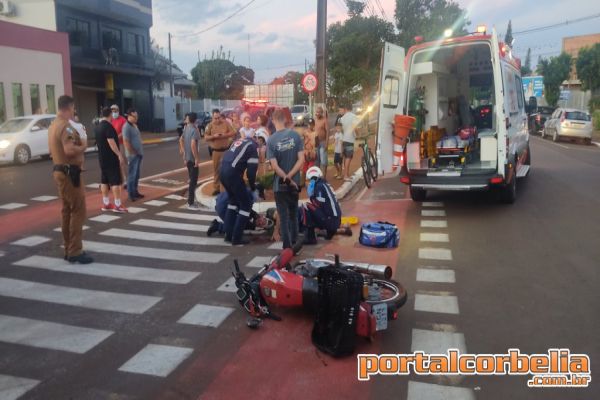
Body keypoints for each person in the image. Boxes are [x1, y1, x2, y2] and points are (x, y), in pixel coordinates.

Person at [48, 95, 93, 264]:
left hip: (60, 171)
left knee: (67, 210)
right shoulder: (65, 127)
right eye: (73, 108)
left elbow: (52, 151)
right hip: (69, 173)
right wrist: (84, 145)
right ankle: (75, 250)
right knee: (78, 211)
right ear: (68, 107)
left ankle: (68, 247)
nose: (74, 112)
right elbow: (69, 150)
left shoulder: (53, 126)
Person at [267, 109, 304, 249]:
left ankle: (287, 247)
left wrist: (284, 177)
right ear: (285, 119)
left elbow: (274, 166)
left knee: (283, 216)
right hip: (294, 184)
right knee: (294, 214)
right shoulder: (296, 136)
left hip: (279, 185)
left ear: (273, 120)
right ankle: (295, 244)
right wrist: (291, 176)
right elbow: (301, 159)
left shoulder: (271, 140)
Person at [220, 137, 259, 245]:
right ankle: (236, 238)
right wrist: (253, 187)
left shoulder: (241, 141)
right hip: (233, 174)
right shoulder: (253, 148)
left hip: (222, 171)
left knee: (233, 202)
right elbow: (251, 173)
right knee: (245, 204)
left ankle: (228, 235)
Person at [95, 107, 127, 213]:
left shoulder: (98, 127)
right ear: (109, 114)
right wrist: (119, 154)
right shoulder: (108, 127)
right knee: (115, 182)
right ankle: (117, 205)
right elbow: (111, 142)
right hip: (110, 158)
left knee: (104, 181)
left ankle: (106, 203)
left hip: (102, 158)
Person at [300, 166, 342, 245]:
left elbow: (318, 204)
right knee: (321, 209)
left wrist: (311, 196)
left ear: (312, 179)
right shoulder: (325, 184)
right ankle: (330, 232)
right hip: (336, 220)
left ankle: (311, 237)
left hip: (331, 221)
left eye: (309, 180)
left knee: (306, 206)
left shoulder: (319, 187)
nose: (307, 182)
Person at [205, 109, 235, 196]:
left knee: (227, 170)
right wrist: (213, 136)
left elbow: (233, 132)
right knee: (216, 170)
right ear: (212, 117)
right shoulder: (209, 125)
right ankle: (217, 188)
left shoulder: (225, 123)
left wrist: (224, 135)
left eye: (218, 118)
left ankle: (227, 187)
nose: (217, 120)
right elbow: (205, 137)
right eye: (215, 118)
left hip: (225, 150)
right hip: (216, 151)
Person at [179, 112, 201, 209]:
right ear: (195, 120)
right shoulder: (194, 130)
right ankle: (190, 202)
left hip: (187, 158)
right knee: (193, 181)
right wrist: (196, 158)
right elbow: (193, 145)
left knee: (191, 179)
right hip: (192, 159)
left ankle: (191, 200)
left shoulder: (186, 128)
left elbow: (180, 140)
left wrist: (184, 152)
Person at [122, 108, 144, 201]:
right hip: (132, 155)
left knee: (137, 175)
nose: (136, 118)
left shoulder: (134, 125)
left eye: (137, 116)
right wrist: (132, 152)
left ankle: (135, 191)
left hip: (138, 153)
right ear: (129, 116)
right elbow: (126, 141)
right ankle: (131, 194)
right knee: (132, 175)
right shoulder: (126, 127)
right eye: (134, 116)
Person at [338, 104, 359, 181]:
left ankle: (346, 174)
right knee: (348, 157)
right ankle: (346, 175)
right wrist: (358, 134)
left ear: (345, 109)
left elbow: (341, 130)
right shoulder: (354, 116)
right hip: (350, 140)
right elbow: (355, 127)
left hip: (344, 140)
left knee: (345, 156)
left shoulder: (341, 118)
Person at [110, 104, 128, 185]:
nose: (114, 113)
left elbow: (124, 131)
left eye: (116, 111)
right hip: (111, 143)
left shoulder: (122, 120)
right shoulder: (110, 120)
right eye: (113, 111)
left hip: (120, 143)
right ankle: (115, 179)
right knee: (112, 162)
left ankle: (124, 179)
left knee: (121, 161)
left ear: (118, 111)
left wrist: (116, 137)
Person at [314, 106, 330, 176]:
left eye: (319, 112)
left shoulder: (325, 120)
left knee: (323, 161)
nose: (317, 113)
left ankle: (324, 176)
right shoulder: (315, 120)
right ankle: (318, 176)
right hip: (316, 143)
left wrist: (326, 143)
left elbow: (328, 132)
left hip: (323, 142)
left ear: (322, 113)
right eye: (317, 112)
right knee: (317, 161)